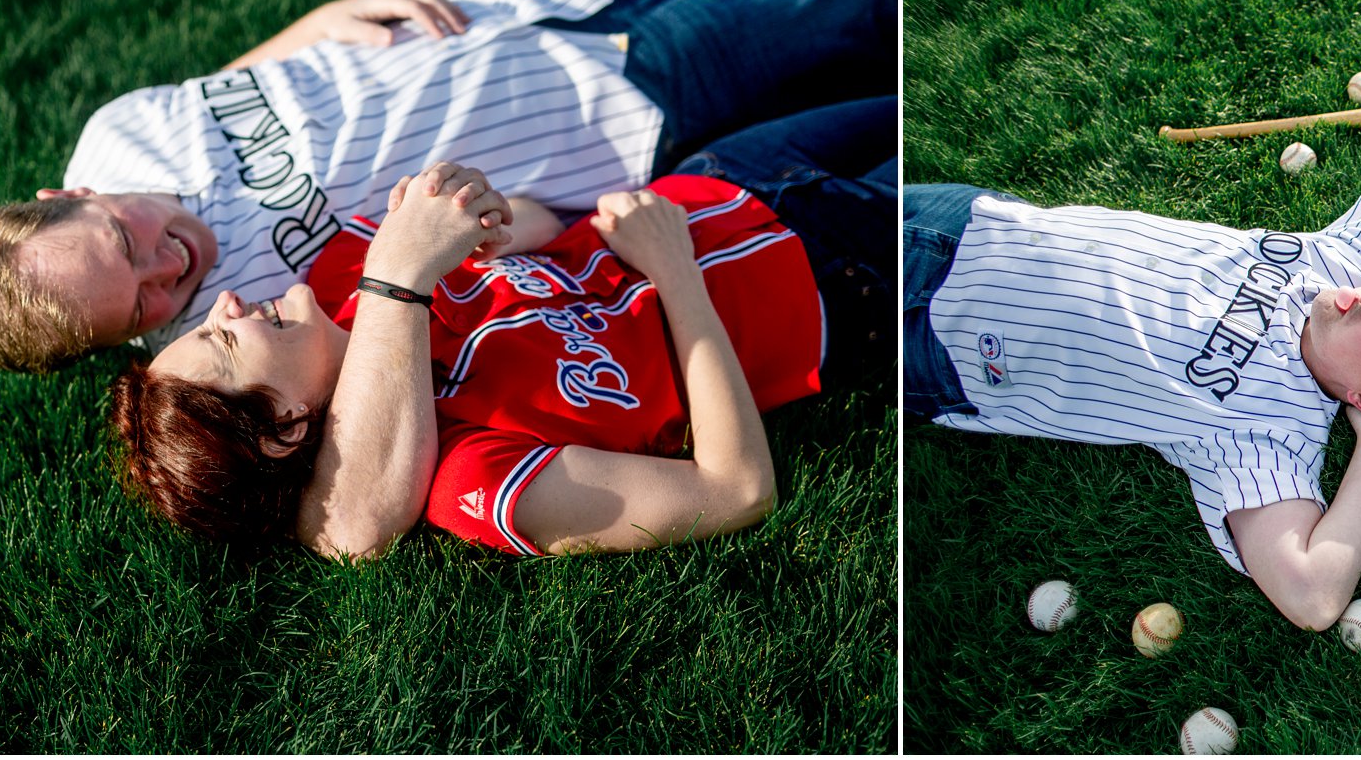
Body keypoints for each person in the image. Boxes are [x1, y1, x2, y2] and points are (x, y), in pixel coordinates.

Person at [0, 0, 893, 372]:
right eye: (142, 302)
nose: (169, 268)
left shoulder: (115, 135)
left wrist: (309, 29)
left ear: (70, 194)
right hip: (621, 101)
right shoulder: (230, 331)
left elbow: (223, 88)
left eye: (126, 237)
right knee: (863, 8)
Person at [109, 98, 894, 562]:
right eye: (220, 340)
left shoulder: (350, 273)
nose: (225, 305)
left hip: (727, 175)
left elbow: (548, 224)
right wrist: (675, 276)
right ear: (282, 426)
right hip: (839, 282)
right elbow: (736, 491)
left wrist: (490, 219)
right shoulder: (469, 478)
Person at [904, 172, 1361, 631]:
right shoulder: (1341, 262)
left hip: (942, 340)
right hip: (976, 220)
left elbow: (1314, 598)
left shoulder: (1269, 438)